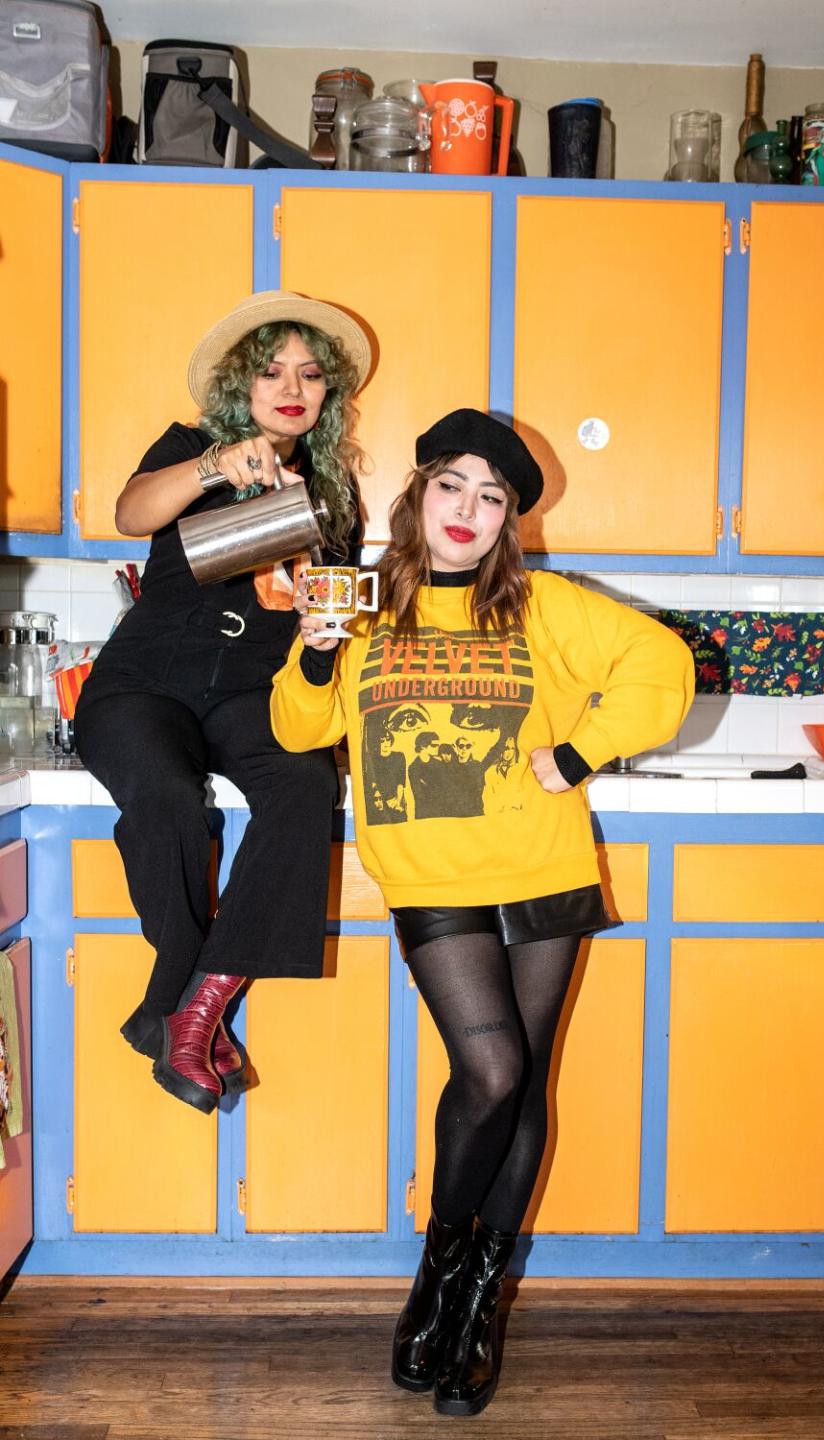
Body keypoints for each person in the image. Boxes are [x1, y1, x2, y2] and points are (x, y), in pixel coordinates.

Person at [271, 408, 694, 1416]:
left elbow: (663, 668)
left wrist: (580, 754)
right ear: (417, 495)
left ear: (509, 521)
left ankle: (476, 1305)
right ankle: (437, 1267)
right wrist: (318, 649)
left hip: (541, 865)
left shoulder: (541, 608)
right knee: (491, 1069)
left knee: (525, 1081)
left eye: (492, 495)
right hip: (431, 875)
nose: (468, 508)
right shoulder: (366, 606)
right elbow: (298, 728)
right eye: (451, 485)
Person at [74, 290, 370, 1115]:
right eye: (273, 369)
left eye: (311, 374)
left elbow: (321, 601)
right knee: (165, 797)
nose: (293, 386)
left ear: (328, 393)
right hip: (147, 683)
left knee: (308, 786)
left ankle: (188, 1010)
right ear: (244, 380)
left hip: (253, 690)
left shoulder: (333, 488)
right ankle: (187, 1008)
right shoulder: (191, 445)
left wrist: (323, 604)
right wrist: (217, 467)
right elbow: (130, 513)